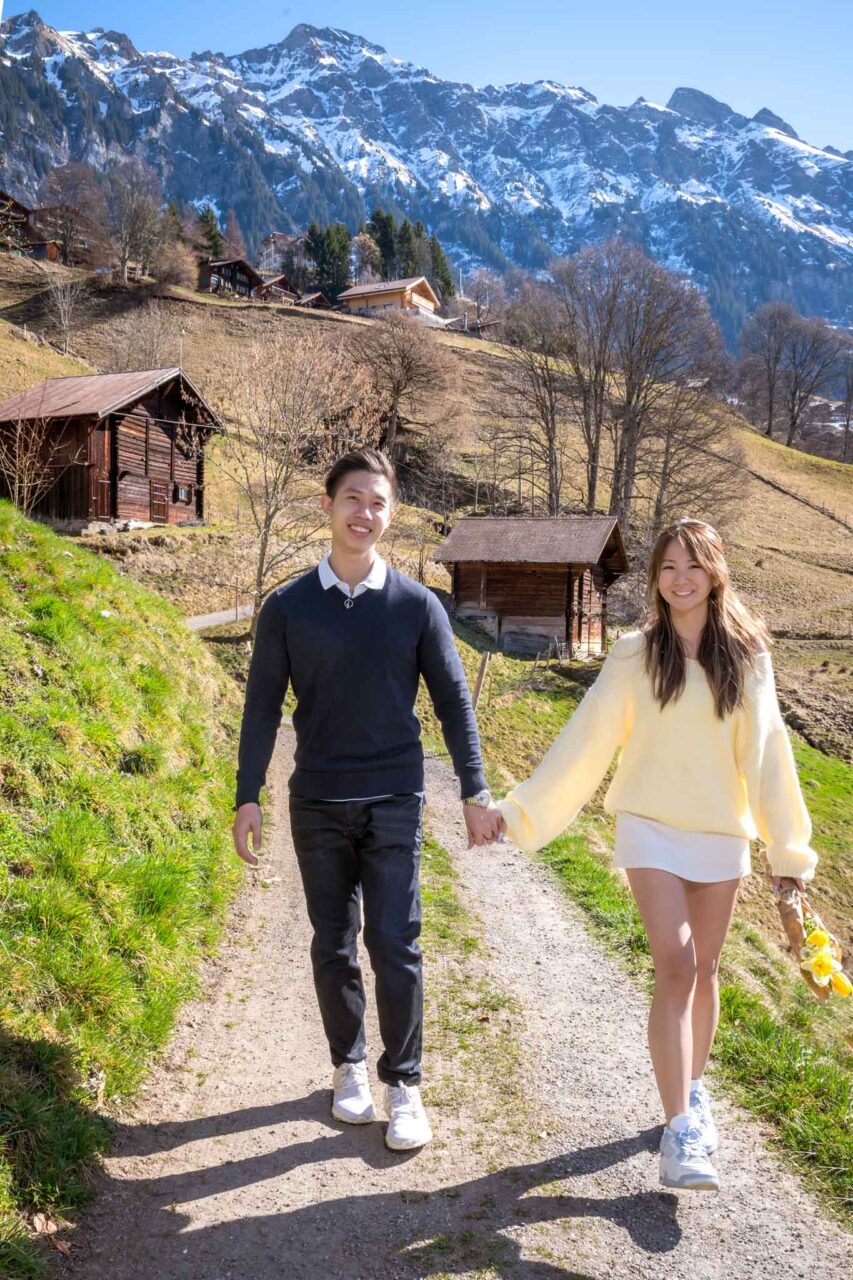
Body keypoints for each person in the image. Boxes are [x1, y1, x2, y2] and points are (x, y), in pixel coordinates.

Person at [496, 518, 817, 1191]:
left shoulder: (748, 657)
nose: (678, 579)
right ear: (655, 579)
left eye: (691, 566)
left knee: (703, 971)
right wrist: (519, 813)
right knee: (674, 966)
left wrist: (786, 850)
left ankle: (691, 1090)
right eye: (667, 567)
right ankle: (678, 1133)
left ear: (714, 573)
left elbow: (767, 758)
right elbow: (584, 741)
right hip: (648, 826)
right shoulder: (633, 654)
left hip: (719, 832)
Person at [232, 447, 503, 1151]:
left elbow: (453, 704)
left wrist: (474, 788)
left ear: (391, 514)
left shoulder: (417, 606)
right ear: (327, 507)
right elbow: (261, 706)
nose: (365, 513)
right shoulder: (288, 607)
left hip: (393, 795)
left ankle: (402, 1083)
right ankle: (347, 1066)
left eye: (378, 502)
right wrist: (247, 794)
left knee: (395, 941)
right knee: (332, 942)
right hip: (316, 799)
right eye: (353, 498)